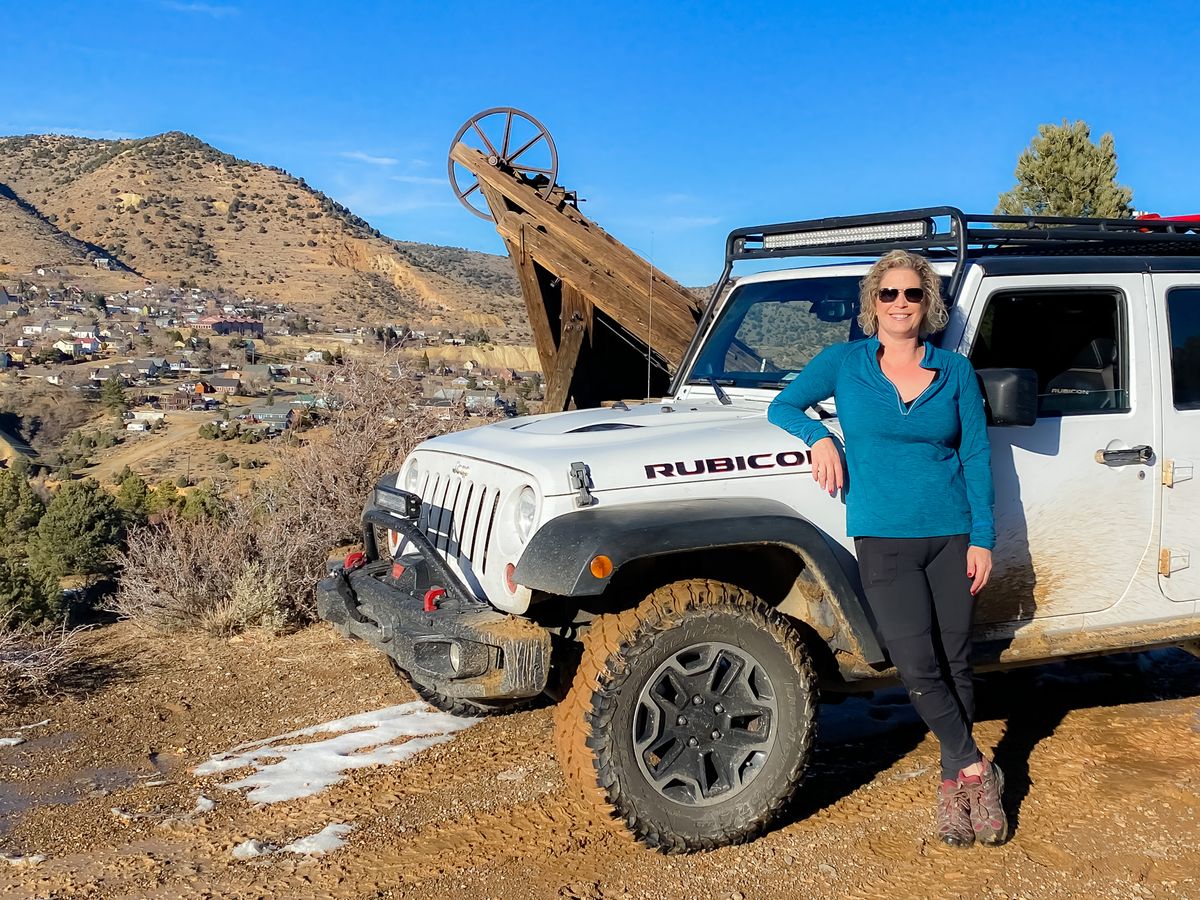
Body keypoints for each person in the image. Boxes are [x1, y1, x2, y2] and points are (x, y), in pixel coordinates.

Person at [766, 249, 1007, 848]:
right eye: (889, 294)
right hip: (883, 536)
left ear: (929, 303)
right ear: (872, 304)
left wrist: (982, 539)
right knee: (916, 662)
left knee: (954, 660)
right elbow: (782, 405)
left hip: (951, 535)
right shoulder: (844, 363)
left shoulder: (954, 371)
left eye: (912, 294)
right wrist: (819, 435)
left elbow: (976, 456)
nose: (901, 304)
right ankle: (977, 766)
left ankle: (955, 783)